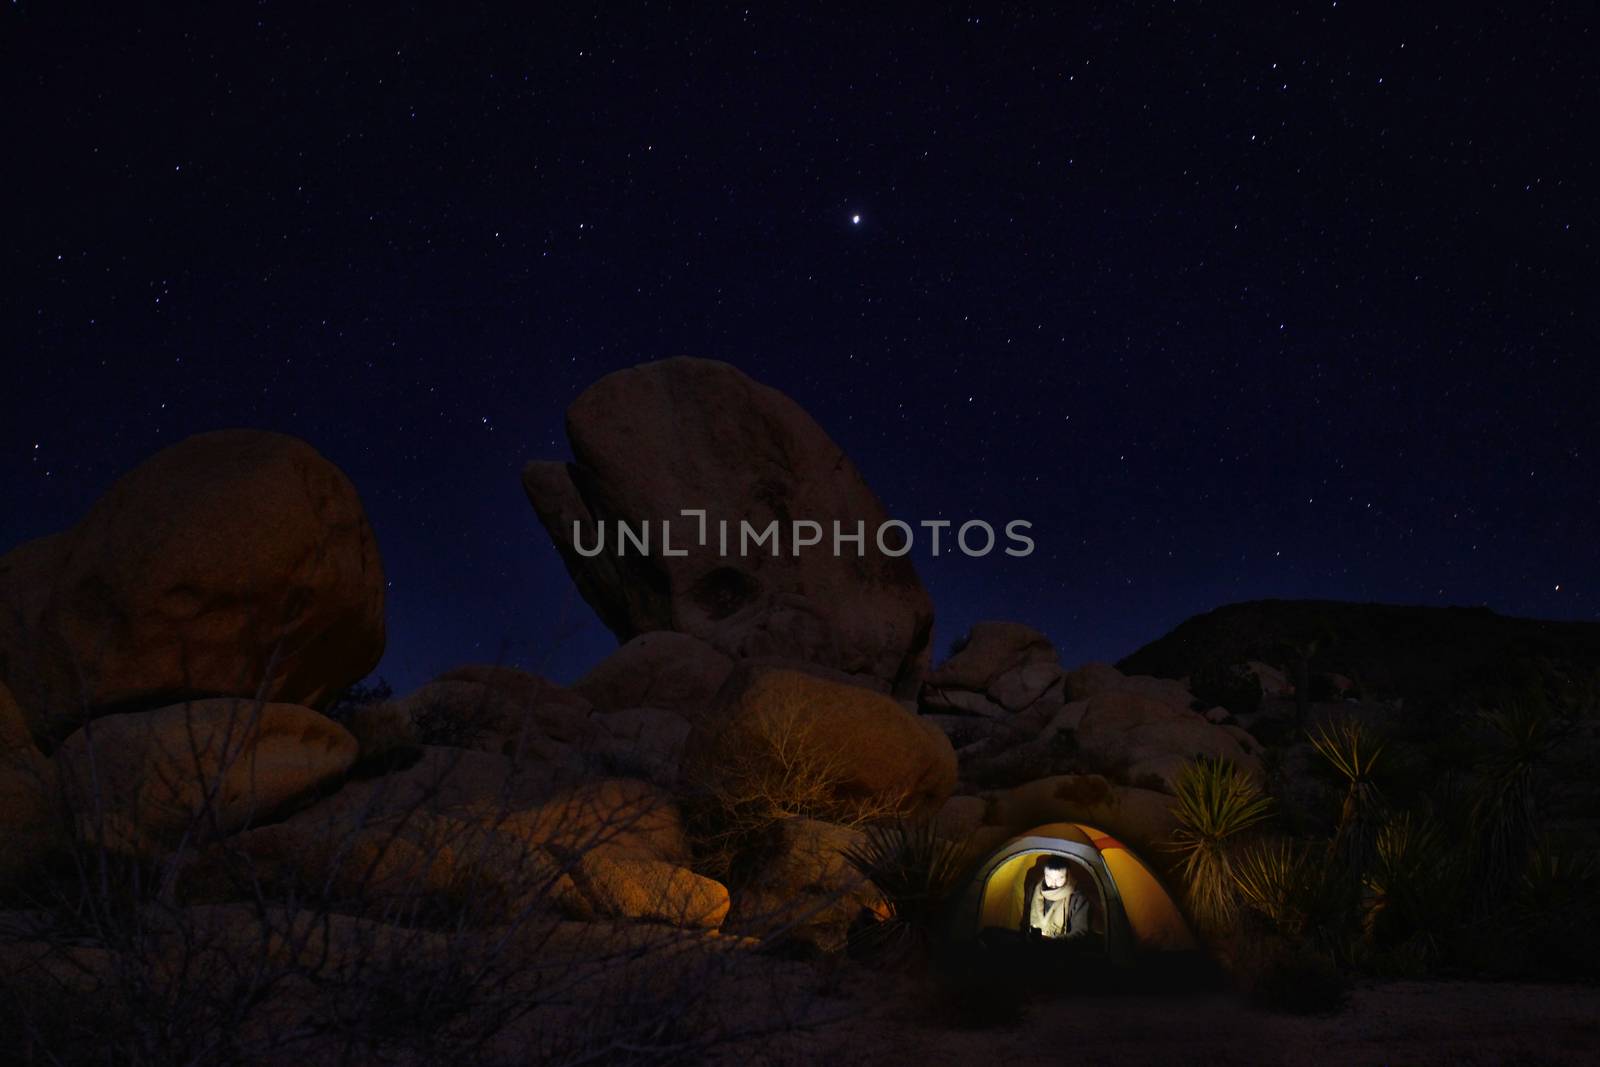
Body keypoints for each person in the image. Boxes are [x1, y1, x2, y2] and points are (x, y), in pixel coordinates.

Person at [1025, 856, 1089, 941]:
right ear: (1044, 874)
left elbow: (1080, 933)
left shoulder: (1077, 897)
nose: (1053, 883)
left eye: (1059, 878)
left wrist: (1051, 940)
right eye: (1049, 877)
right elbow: (1025, 919)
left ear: (1068, 875)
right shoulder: (1034, 888)